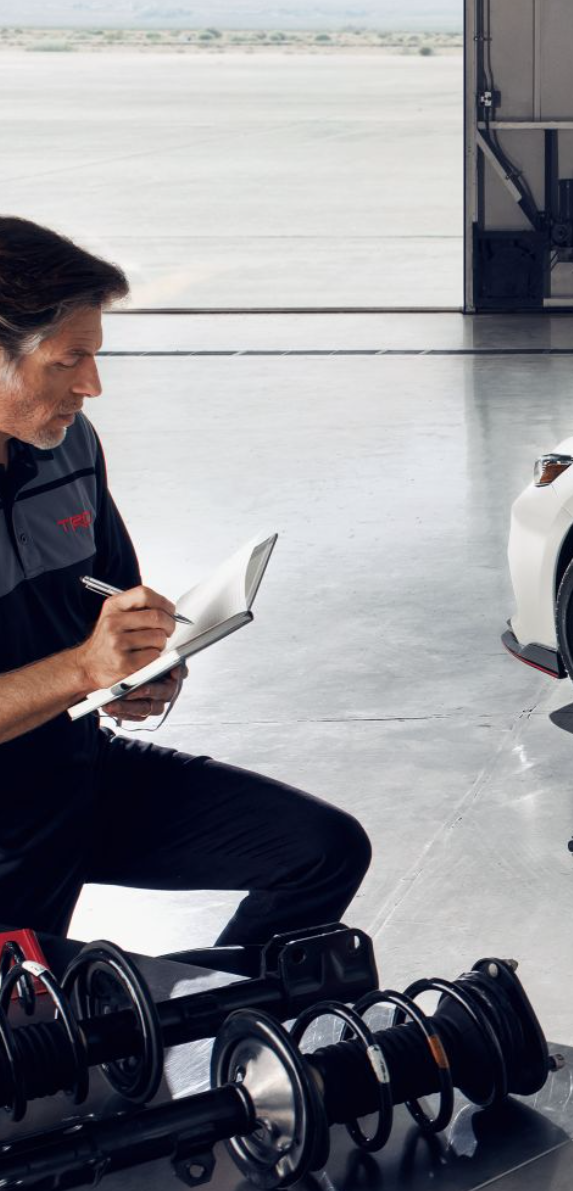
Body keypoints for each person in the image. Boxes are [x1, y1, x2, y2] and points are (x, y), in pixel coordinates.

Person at [0, 218, 369, 970]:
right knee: (36, 1041)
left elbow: (105, 602)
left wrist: (138, 666)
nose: (92, 386)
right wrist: (82, 670)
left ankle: (206, 1016)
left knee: (321, 851)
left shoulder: (68, 444)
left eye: (95, 358)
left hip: (76, 774)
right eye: (70, 361)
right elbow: (81, 659)